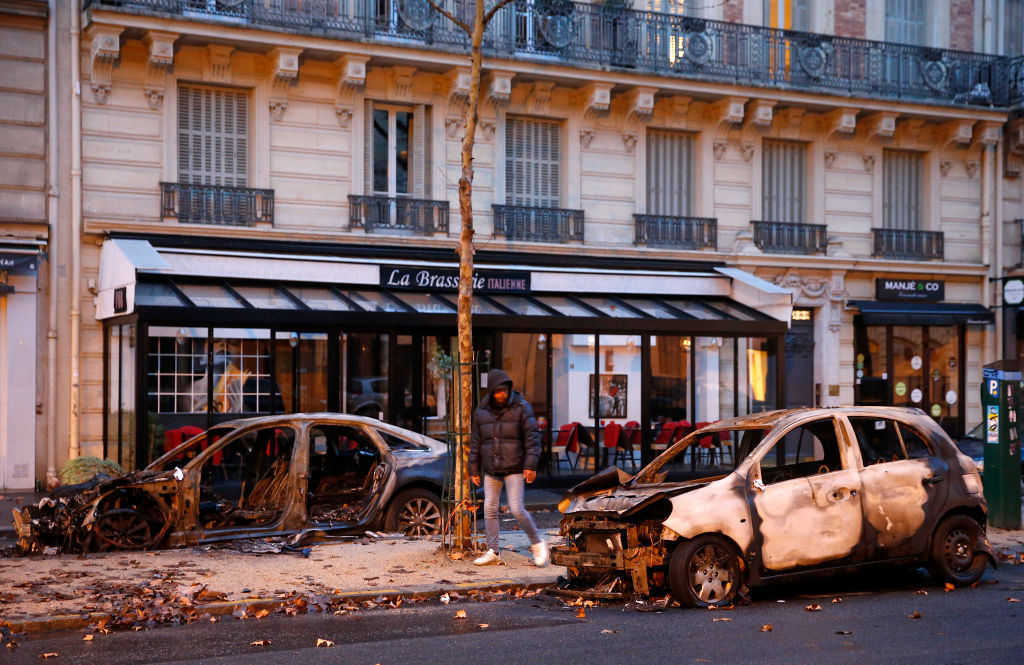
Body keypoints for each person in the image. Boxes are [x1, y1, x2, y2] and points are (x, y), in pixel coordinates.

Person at [469, 368, 548, 567]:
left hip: (515, 466)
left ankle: (538, 544)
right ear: (492, 392)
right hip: (492, 468)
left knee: (516, 508)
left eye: (504, 390)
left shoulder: (521, 407)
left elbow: (532, 438)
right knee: (489, 508)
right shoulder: (482, 411)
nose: (502, 394)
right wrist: (473, 469)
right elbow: (477, 441)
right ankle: (493, 551)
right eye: (498, 391)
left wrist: (530, 464)